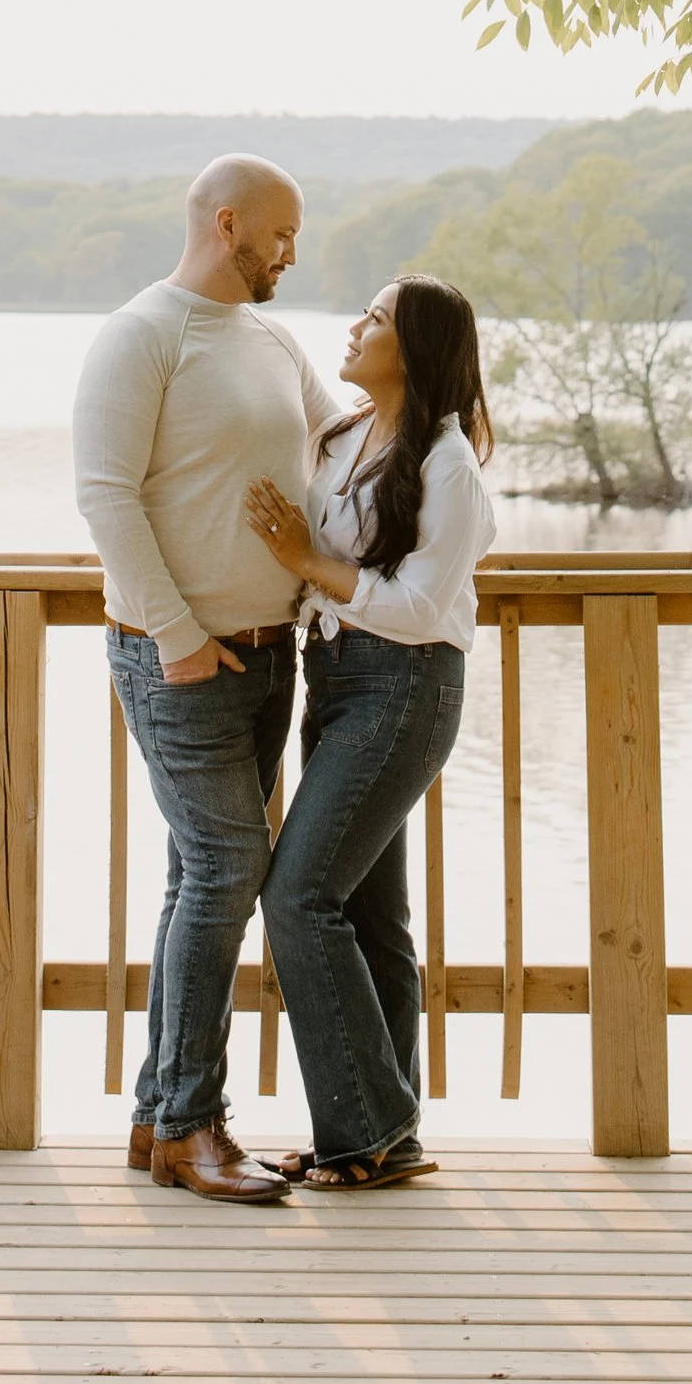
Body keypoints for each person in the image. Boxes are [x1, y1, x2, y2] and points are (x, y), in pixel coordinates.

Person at [71, 151, 342, 1203]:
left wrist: (445, 428)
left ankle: (157, 1120)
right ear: (226, 223)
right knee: (228, 870)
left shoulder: (272, 340)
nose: (289, 253)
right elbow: (104, 498)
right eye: (280, 234)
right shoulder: (142, 336)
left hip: (271, 653)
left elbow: (342, 438)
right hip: (177, 658)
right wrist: (178, 635)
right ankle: (190, 1127)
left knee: (201, 876)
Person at [244, 274, 497, 1190]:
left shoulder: (445, 461)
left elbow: (425, 603)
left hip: (407, 688)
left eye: (377, 319)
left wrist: (307, 561)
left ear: (415, 348)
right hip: (338, 678)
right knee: (366, 912)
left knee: (299, 896)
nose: (354, 328)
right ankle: (382, 1130)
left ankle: (368, 1128)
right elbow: (267, 389)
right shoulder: (347, 433)